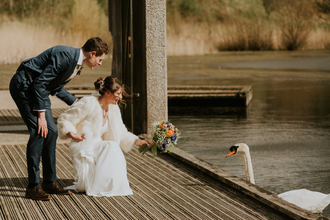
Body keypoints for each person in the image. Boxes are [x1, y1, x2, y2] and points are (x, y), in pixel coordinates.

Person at [9, 37, 109, 201]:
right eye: (100, 59)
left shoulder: (75, 63)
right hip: (25, 86)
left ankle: (49, 181)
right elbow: (40, 84)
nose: (100, 63)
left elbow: (54, 86)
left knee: (52, 132)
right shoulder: (65, 56)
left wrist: (77, 103)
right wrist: (41, 115)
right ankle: (33, 186)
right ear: (92, 54)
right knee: (39, 131)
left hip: (38, 89)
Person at [56, 76, 149, 197]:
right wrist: (72, 134)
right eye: (118, 94)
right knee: (110, 146)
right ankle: (103, 184)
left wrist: (138, 141)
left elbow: (121, 132)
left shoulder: (113, 108)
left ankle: (112, 185)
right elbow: (65, 119)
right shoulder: (88, 102)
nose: (120, 97)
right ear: (108, 92)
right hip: (85, 144)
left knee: (111, 145)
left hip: (100, 145)